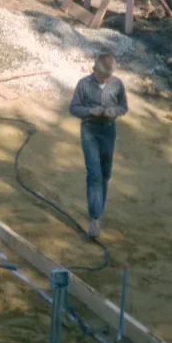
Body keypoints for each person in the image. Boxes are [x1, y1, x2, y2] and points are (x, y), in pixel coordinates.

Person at [69, 52, 128, 237]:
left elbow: (123, 107)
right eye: (102, 76)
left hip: (109, 131)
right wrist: (89, 111)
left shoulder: (117, 85)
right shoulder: (84, 84)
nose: (105, 79)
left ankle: (98, 210)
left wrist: (113, 111)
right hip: (89, 130)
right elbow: (73, 108)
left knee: (105, 173)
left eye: (108, 76)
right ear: (93, 69)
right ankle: (94, 218)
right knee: (94, 174)